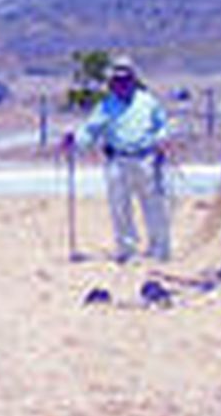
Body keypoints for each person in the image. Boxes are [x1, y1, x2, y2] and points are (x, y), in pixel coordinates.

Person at [61, 55, 173, 263]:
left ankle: (160, 250)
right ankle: (127, 251)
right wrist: (74, 141)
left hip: (146, 159)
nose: (121, 84)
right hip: (117, 161)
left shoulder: (148, 102)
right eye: (117, 80)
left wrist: (162, 141)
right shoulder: (106, 106)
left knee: (155, 206)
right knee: (120, 208)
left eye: (125, 79)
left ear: (133, 79)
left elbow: (162, 126)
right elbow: (90, 130)